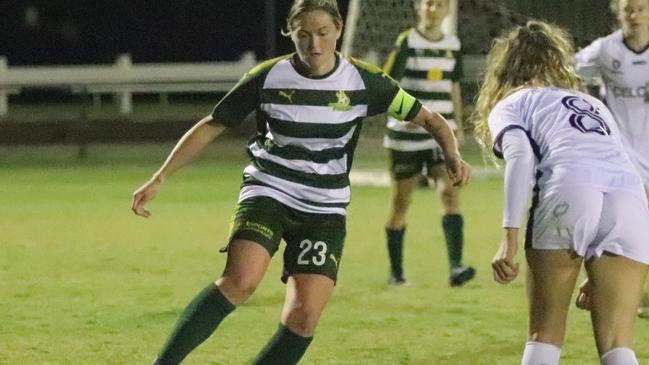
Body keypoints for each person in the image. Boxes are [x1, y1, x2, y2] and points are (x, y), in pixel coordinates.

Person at [131, 1, 471, 364]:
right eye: (303, 35)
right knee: (240, 281)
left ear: (338, 30)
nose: (314, 44)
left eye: (323, 34)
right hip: (269, 190)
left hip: (325, 208)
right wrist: (160, 176)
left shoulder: (364, 81)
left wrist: (451, 154)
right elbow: (213, 124)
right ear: (290, 34)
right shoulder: (269, 76)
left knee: (304, 317)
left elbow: (432, 119)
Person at [473, 20, 649, 365]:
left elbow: (521, 157)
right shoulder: (592, 104)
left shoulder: (512, 103)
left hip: (569, 191)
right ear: (557, 62)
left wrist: (509, 236)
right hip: (631, 204)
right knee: (618, 344)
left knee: (545, 335)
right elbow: (620, 163)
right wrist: (600, 258)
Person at [381, 0, 474, 286]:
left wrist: (457, 125)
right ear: (418, 7)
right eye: (428, 3)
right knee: (402, 202)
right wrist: (404, 113)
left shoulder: (452, 44)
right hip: (406, 136)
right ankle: (396, 273)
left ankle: (456, 268)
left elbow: (454, 86)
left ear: (446, 11)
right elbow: (387, 84)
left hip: (440, 134)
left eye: (439, 5)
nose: (433, 9)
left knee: (450, 193)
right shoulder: (406, 42)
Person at [573, 0, 649, 318]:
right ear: (618, 14)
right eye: (628, 10)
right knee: (631, 226)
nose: (634, 16)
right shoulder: (605, 50)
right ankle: (623, 293)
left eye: (641, 9)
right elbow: (567, 70)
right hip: (623, 155)